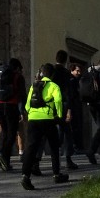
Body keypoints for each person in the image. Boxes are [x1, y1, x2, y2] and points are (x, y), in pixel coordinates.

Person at [21, 62, 68, 190]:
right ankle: (56, 174)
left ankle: (25, 175)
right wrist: (59, 116)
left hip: (33, 119)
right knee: (54, 147)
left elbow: (27, 104)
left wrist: (30, 113)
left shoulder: (33, 86)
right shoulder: (53, 86)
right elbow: (58, 100)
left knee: (31, 147)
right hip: (48, 119)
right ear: (52, 74)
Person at [0, 58, 27, 172]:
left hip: (0, 106)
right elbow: (22, 95)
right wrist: (22, 111)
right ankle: (2, 154)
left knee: (6, 134)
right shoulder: (18, 77)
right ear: (17, 68)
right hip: (11, 107)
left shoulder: (0, 76)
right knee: (12, 134)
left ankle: (5, 162)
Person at [51, 51, 82, 170]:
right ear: (65, 61)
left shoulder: (51, 71)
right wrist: (69, 109)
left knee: (47, 132)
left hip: (50, 105)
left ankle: (37, 161)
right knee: (67, 133)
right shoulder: (66, 74)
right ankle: (68, 159)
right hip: (63, 105)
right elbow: (68, 93)